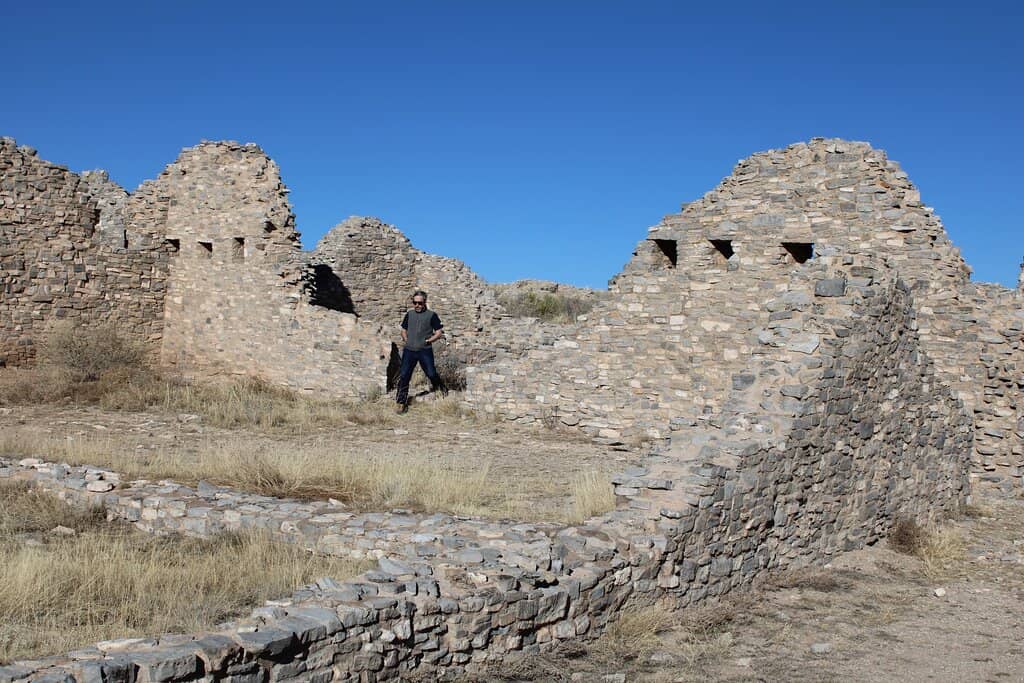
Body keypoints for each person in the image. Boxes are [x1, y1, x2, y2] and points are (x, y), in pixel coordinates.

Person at [395, 290, 447, 413]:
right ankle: (401, 402)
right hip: (409, 350)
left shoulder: (431, 315)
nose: (417, 305)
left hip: (424, 350)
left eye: (420, 303)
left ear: (425, 302)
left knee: (431, 373)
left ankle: (441, 391)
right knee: (404, 376)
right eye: (415, 303)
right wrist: (406, 339)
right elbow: (403, 329)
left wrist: (429, 341)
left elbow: (439, 332)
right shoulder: (409, 314)